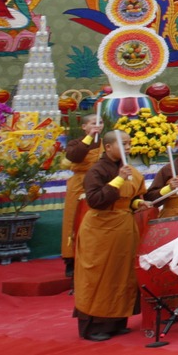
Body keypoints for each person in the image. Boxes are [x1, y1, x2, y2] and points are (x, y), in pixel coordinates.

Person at [72, 129, 141, 341]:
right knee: (98, 276)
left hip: (123, 227)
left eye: (129, 144)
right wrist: (119, 180)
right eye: (123, 144)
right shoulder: (97, 170)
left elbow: (130, 198)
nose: (128, 148)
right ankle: (94, 327)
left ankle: (117, 321)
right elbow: (94, 200)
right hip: (100, 229)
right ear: (108, 147)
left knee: (121, 274)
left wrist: (138, 203)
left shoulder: (126, 168)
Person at [58, 111, 104, 277]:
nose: (97, 126)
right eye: (93, 123)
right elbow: (74, 157)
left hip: (99, 183)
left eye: (100, 122)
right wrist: (89, 137)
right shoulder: (75, 143)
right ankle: (70, 259)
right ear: (84, 127)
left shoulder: (106, 143)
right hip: (79, 185)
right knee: (73, 219)